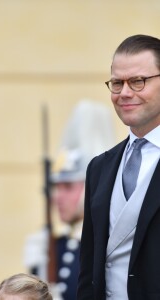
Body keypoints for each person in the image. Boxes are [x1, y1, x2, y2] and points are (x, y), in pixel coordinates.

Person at [77, 34, 160, 300]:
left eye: (138, 81)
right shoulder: (99, 168)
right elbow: (89, 268)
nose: (124, 93)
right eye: (117, 83)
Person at [24, 100, 115, 300]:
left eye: (68, 187)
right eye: (56, 188)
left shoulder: (107, 242)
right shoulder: (57, 245)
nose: (57, 197)